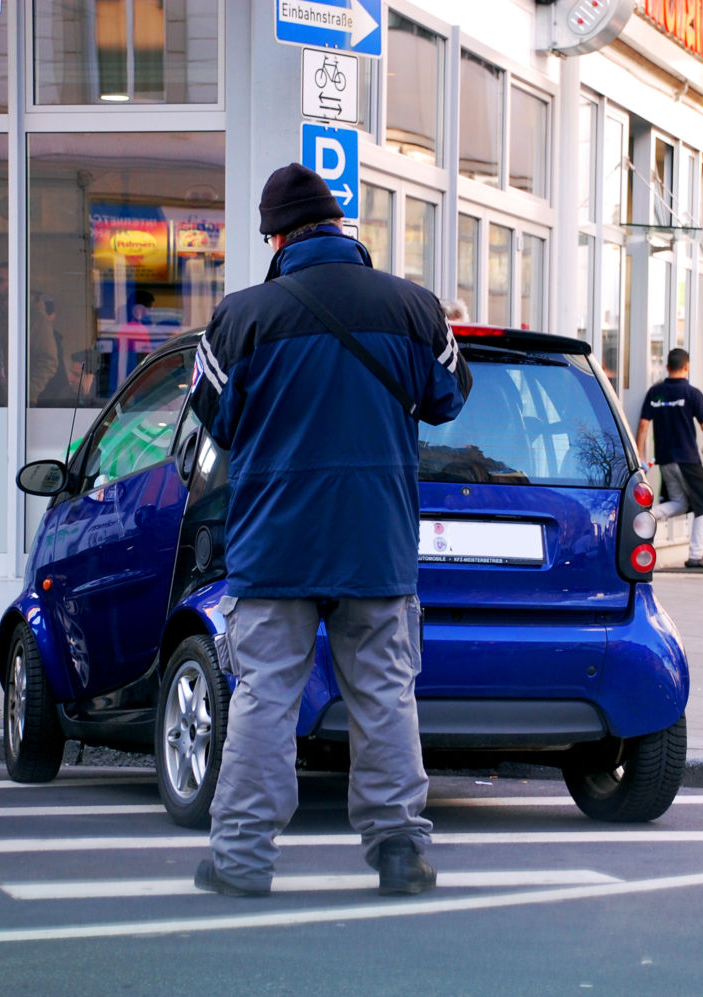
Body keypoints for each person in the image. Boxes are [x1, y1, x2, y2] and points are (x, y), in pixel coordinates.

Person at [187, 163, 472, 898]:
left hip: (273, 542)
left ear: (277, 237)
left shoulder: (241, 317)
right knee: (383, 693)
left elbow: (213, 417)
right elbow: (451, 395)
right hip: (374, 540)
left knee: (264, 695)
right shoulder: (415, 308)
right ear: (342, 226)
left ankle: (243, 858)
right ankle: (402, 851)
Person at [634, 348, 703, 568]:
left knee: (679, 503)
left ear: (667, 367)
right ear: (687, 367)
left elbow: (643, 425)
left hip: (665, 460)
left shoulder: (655, 392)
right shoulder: (691, 393)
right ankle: (696, 555)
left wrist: (640, 454)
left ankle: (645, 517)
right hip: (687, 459)